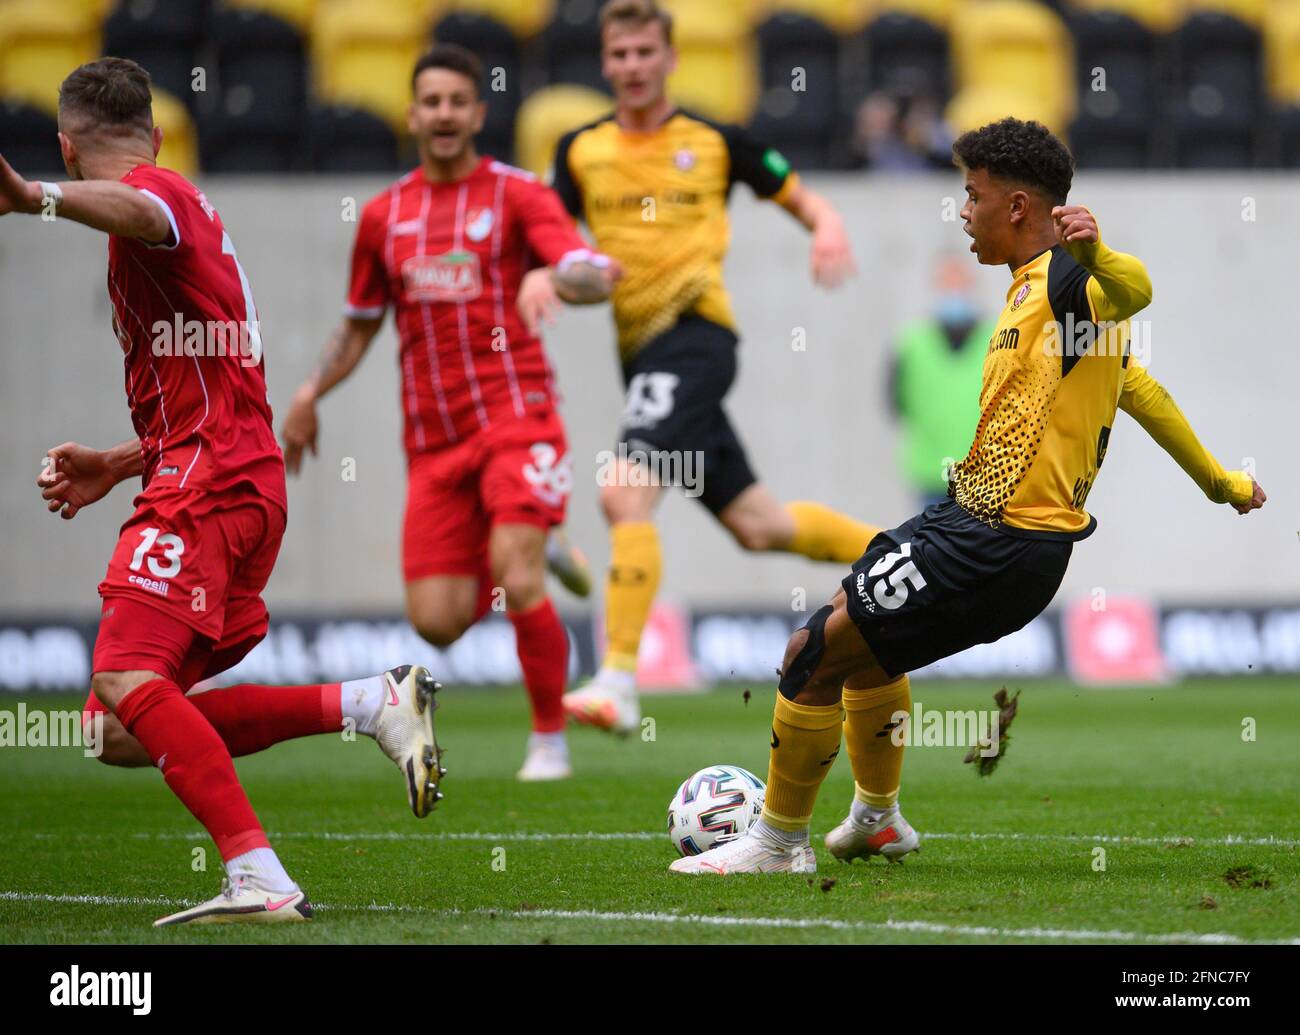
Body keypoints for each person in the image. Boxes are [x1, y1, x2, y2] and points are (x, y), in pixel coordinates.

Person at [669, 117, 1266, 875]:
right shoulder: (1037, 298)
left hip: (998, 537)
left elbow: (1138, 288)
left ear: (1016, 207)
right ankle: (876, 819)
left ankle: (779, 842)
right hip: (974, 525)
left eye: (971, 193)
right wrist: (1223, 482)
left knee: (809, 653)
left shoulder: (1067, 279)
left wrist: (1099, 252)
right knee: (863, 646)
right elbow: (1142, 391)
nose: (962, 208)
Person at [7, 57, 444, 925]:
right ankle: (369, 701)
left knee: (127, 673)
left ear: (65, 144)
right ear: (159, 129)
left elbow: (140, 207)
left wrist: (33, 199)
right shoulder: (186, 208)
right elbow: (215, 392)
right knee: (116, 724)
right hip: (229, 476)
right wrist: (117, 461)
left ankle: (258, 873)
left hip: (207, 488)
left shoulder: (158, 200)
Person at [279, 45, 619, 781]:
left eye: (456, 101)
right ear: (412, 113)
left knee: (515, 572)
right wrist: (309, 393)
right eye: (430, 101)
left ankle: (549, 741)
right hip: (433, 441)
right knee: (436, 618)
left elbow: (584, 271)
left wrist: (562, 275)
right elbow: (361, 321)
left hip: (516, 415)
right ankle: (540, 536)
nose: (442, 114)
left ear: (478, 112)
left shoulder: (518, 195)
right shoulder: (383, 216)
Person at [551, 0, 879, 735]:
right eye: (620, 54)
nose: (633, 66)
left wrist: (826, 226)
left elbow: (800, 196)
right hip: (641, 355)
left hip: (696, 338)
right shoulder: (579, 151)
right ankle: (901, 555)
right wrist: (553, 277)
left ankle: (617, 678)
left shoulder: (716, 141)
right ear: (605, 63)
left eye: (645, 52)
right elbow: (544, 244)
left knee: (622, 494)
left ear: (670, 58)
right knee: (759, 525)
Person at [887, 254, 994, 511]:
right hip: (930, 474)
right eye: (948, 284)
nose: (954, 291)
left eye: (960, 283)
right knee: (931, 547)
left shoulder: (998, 337)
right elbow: (896, 402)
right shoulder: (912, 343)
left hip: (986, 475)